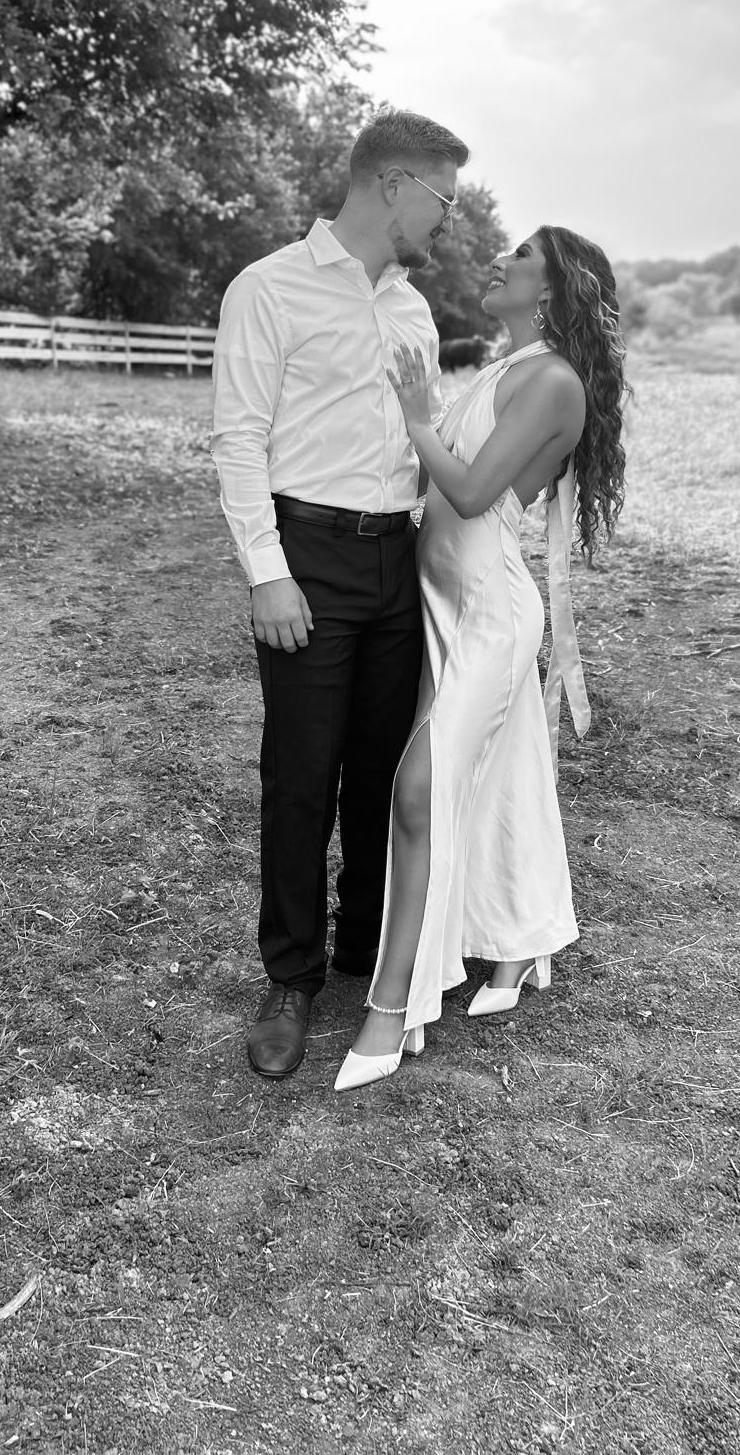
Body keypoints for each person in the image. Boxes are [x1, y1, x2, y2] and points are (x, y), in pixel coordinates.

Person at [334, 225, 629, 1092]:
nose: (501, 261)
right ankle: (517, 941)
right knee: (498, 775)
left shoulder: (554, 380)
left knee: (418, 789)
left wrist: (417, 413)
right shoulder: (508, 369)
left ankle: (392, 1008)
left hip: (489, 613)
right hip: (437, 601)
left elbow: (466, 493)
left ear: (553, 289)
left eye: (521, 257)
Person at [211, 108, 471, 1079]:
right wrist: (268, 573)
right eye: (443, 199)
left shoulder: (414, 312)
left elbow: (425, 439)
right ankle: (290, 978)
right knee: (301, 775)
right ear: (394, 184)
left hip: (396, 560)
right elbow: (239, 439)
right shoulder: (268, 288)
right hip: (308, 556)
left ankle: (367, 948)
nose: (447, 218)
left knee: (379, 775)